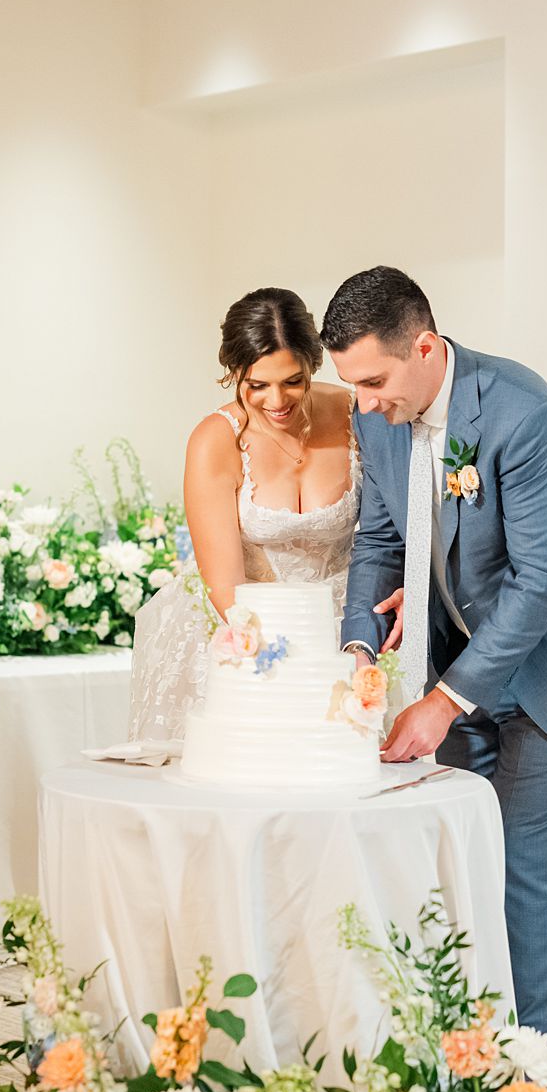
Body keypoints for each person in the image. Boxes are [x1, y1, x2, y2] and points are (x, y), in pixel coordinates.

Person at [322, 265, 547, 1035]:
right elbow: (379, 539)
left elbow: (543, 578)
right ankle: (462, 1065)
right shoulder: (377, 415)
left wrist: (443, 703)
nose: (365, 404)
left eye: (375, 380)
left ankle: (526, 1090)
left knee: (524, 888)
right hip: (466, 665)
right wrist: (357, 650)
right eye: (352, 386)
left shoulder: (525, 413)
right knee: (454, 870)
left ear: (424, 346)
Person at [128, 286, 371, 751]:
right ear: (233, 374)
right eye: (256, 385)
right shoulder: (214, 441)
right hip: (245, 623)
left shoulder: (355, 414)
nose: (276, 400)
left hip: (345, 626)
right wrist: (285, 661)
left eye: (292, 381)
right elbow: (225, 585)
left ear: (313, 364)